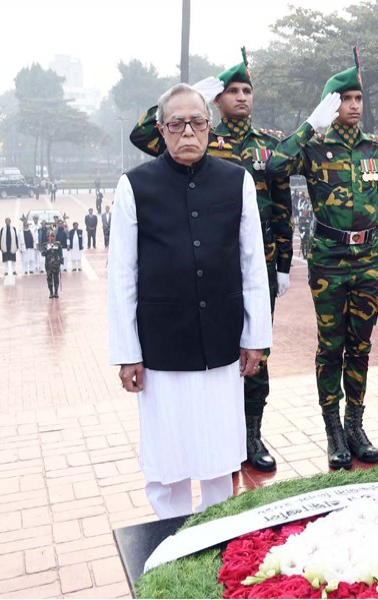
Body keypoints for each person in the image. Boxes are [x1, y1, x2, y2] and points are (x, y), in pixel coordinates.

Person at [107, 83, 272, 518]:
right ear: (161, 129)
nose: (187, 132)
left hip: (221, 341)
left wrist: (255, 337)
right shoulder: (134, 186)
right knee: (168, 462)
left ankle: (218, 539)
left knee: (220, 458)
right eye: (176, 123)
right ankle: (171, 539)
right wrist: (127, 353)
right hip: (161, 345)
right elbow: (122, 274)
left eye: (197, 122)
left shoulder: (237, 181)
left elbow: (253, 264)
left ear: (209, 128)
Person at [130, 49, 292, 473]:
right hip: (197, 286)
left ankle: (251, 434)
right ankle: (224, 441)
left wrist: (285, 262)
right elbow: (144, 135)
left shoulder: (269, 144)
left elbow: (281, 204)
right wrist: (194, 98)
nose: (240, 97)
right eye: (230, 90)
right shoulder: (198, 131)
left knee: (253, 359)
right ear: (217, 101)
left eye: (246, 90)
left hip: (252, 268)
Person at [267, 49, 378, 470]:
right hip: (328, 261)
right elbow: (275, 168)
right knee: (331, 348)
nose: (355, 106)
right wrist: (310, 124)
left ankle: (356, 425)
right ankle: (333, 431)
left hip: (365, 263)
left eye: (359, 98)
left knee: (360, 346)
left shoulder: (377, 150)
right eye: (345, 98)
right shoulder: (315, 147)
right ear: (331, 104)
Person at [42, 230, 64, 298]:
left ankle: (56, 292)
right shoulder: (45, 244)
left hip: (56, 264)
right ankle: (51, 292)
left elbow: (60, 253)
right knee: (49, 279)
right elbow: (43, 254)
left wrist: (61, 261)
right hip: (48, 265)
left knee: (56, 278)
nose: (51, 238)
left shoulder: (58, 244)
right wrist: (47, 248)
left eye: (52, 236)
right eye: (49, 236)